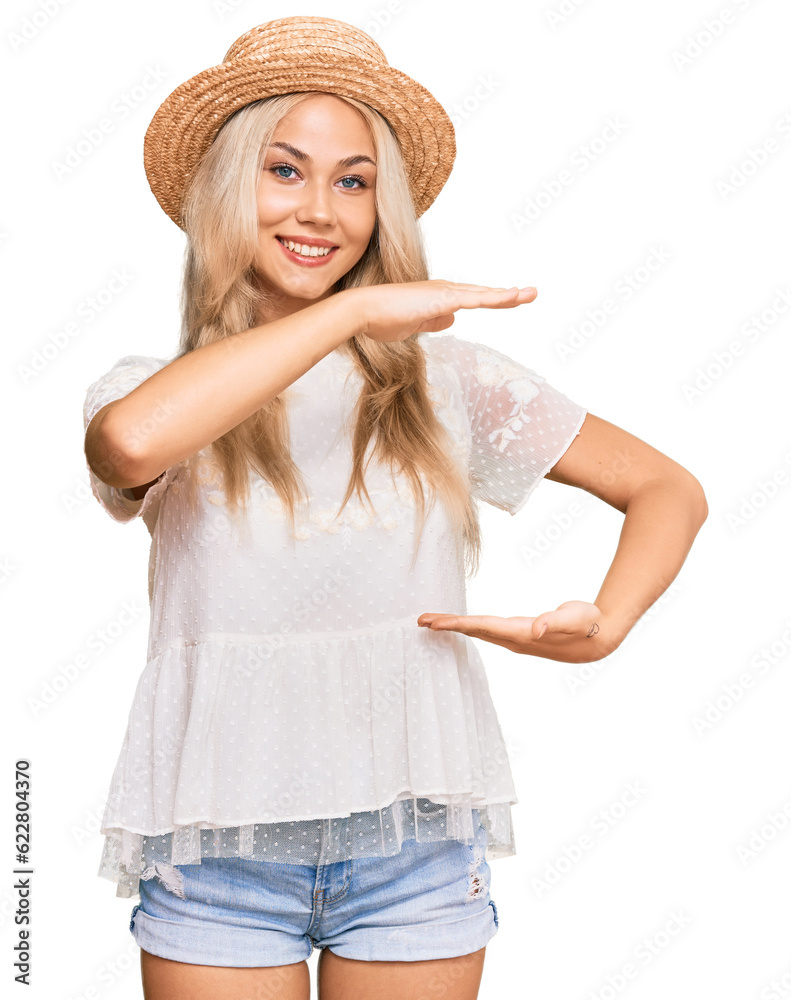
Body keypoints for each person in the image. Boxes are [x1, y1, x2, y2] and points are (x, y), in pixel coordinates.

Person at [82, 15, 708, 1000]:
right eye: (283, 170)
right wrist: (356, 310)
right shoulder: (153, 390)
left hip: (411, 855)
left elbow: (665, 487)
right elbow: (128, 447)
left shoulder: (446, 383)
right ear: (223, 189)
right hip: (217, 862)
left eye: (354, 180)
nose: (321, 210)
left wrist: (606, 623)